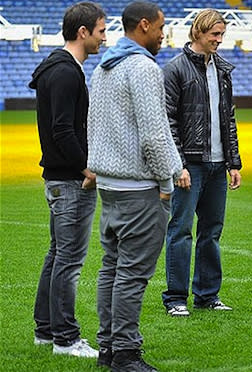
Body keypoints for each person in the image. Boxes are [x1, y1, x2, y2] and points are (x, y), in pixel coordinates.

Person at [87, 2, 182, 370]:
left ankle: (108, 347)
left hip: (108, 185)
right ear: (143, 26)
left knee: (111, 269)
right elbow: (154, 135)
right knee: (131, 274)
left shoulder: (105, 66)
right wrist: (166, 180)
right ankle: (126, 353)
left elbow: (93, 125)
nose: (162, 34)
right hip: (137, 187)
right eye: (160, 27)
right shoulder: (142, 67)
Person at [29, 1, 106, 358]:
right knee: (69, 261)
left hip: (61, 179)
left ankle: (46, 332)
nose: (103, 39)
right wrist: (85, 168)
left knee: (58, 255)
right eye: (101, 31)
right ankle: (66, 339)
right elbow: (62, 129)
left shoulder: (60, 69)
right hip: (69, 182)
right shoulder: (64, 72)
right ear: (83, 32)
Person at [161, 8, 242, 317]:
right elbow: (169, 122)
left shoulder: (222, 70)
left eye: (221, 35)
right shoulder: (175, 70)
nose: (219, 41)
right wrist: (178, 164)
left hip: (218, 165)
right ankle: (176, 298)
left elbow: (229, 119)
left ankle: (207, 295)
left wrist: (234, 162)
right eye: (214, 35)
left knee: (212, 231)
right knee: (180, 230)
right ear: (198, 33)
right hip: (190, 165)